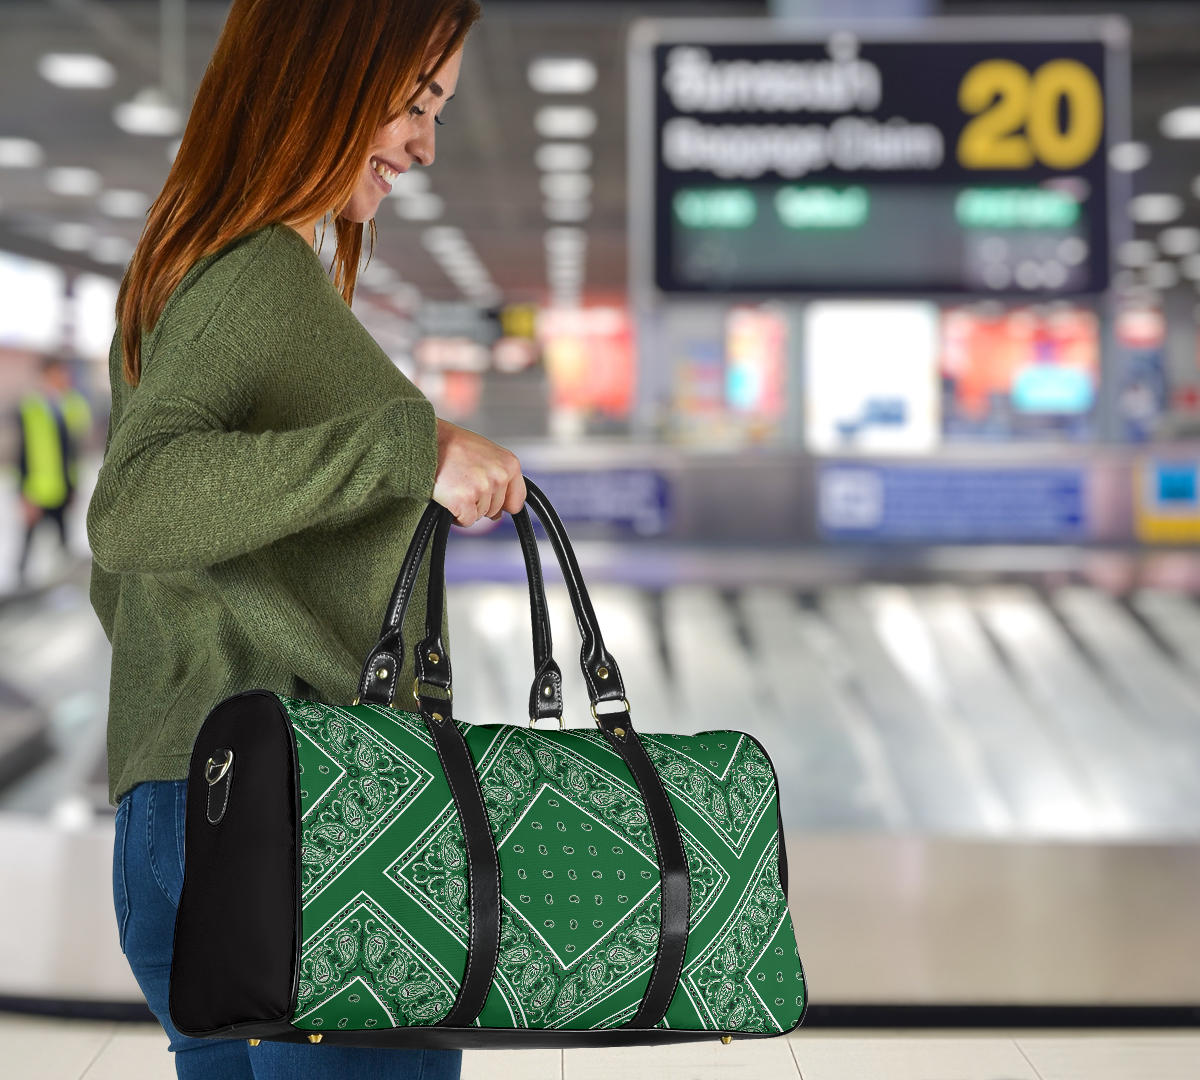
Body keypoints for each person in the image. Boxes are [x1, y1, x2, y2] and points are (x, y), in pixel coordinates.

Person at [85, 2, 522, 1077]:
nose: (424, 141)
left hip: (187, 809)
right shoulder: (254, 276)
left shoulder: (183, 271)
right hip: (317, 826)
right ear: (323, 68)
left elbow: (125, 583)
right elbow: (133, 505)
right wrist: (405, 451)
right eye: (415, 102)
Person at [13, 354, 92, 587]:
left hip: (63, 487)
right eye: (60, 372)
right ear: (46, 374)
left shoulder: (69, 404)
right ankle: (19, 592)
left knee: (64, 544)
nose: (64, 377)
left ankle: (61, 588)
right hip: (37, 490)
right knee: (27, 546)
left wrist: (73, 487)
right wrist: (23, 494)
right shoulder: (31, 407)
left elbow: (76, 443)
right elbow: (23, 453)